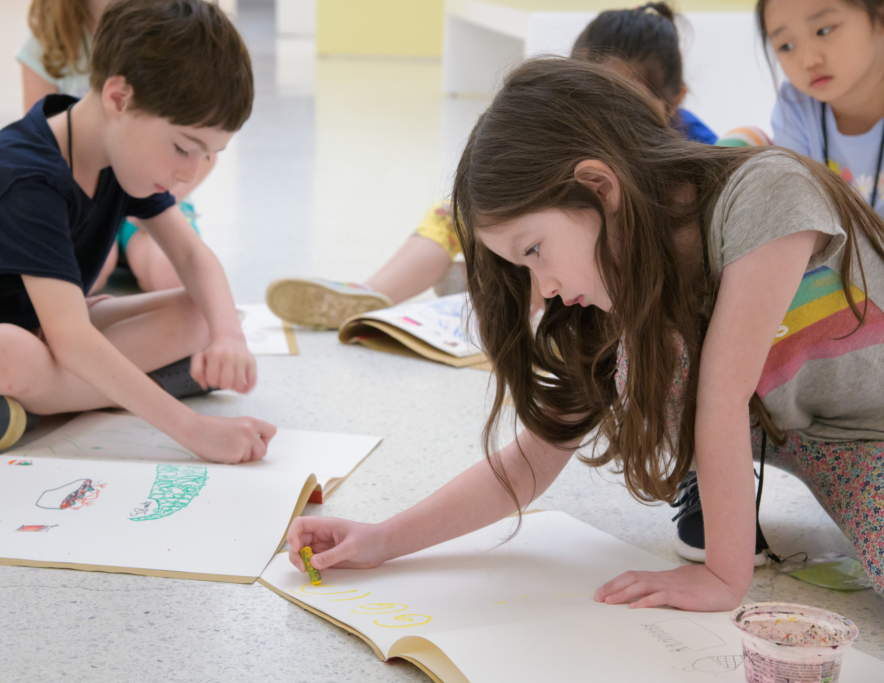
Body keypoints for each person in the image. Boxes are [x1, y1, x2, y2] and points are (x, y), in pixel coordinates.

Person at [286, 57, 884, 610]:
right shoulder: (615, 287)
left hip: (869, 432)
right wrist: (383, 539)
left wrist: (724, 578)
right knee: (658, 346)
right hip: (805, 437)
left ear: (599, 186)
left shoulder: (765, 192)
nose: (542, 287)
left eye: (536, 251)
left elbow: (722, 396)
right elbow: (532, 458)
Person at [0, 0, 275, 463]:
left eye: (208, 155)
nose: (189, 173)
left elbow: (194, 258)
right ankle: (111, 389)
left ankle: (31, 402)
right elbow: (71, 340)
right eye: (183, 147)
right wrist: (194, 432)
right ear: (120, 98)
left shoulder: (120, 152)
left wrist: (227, 337)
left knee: (203, 312)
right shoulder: (23, 178)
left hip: (35, 323)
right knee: (14, 354)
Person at [265, 3, 718, 330]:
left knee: (535, 245)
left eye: (626, 94)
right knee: (457, 213)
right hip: (566, 252)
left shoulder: (688, 152)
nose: (607, 111)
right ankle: (374, 292)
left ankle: (478, 277)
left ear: (674, 99)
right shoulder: (566, 148)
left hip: (592, 272)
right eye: (593, 91)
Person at [18, 0, 214, 293]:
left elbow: (205, 151)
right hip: (79, 197)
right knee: (84, 273)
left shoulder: (174, 34)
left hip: (156, 193)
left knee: (167, 276)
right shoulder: (48, 42)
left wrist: (164, 198)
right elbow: (39, 146)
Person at [763, 0, 884, 219]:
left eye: (824, 31)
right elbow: (796, 213)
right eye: (786, 46)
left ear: (880, 17)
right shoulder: (795, 106)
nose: (810, 61)